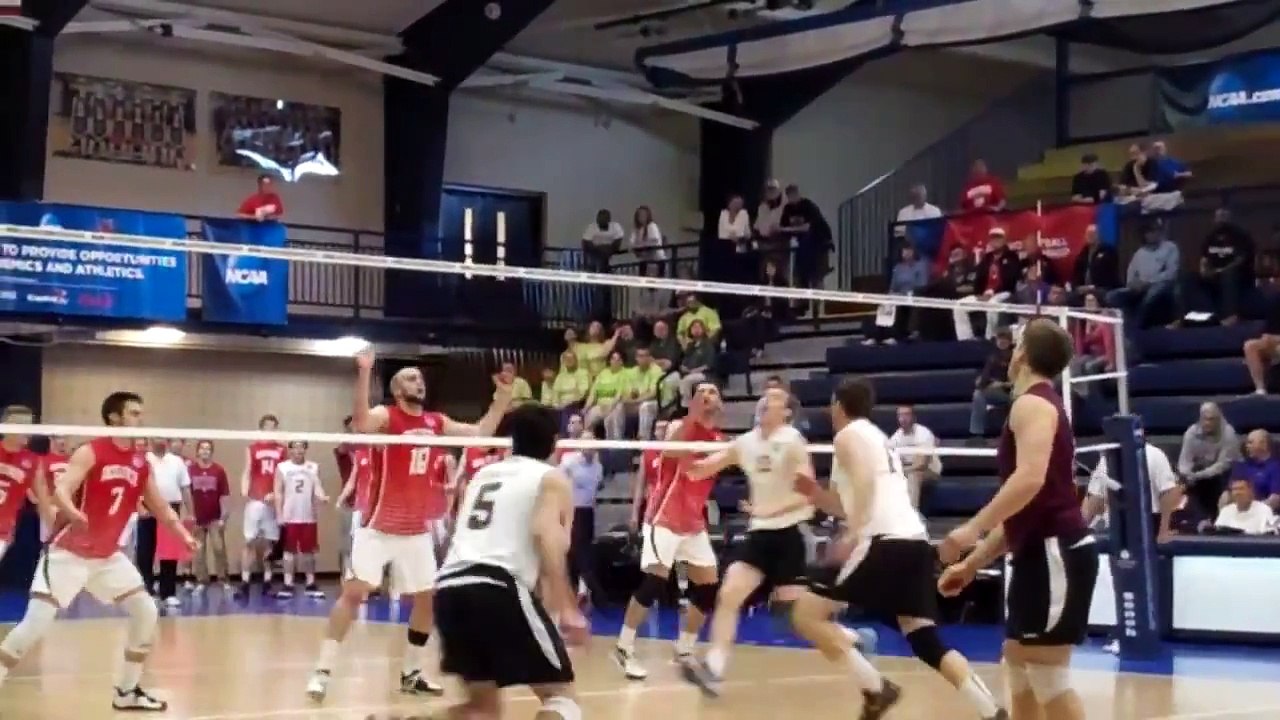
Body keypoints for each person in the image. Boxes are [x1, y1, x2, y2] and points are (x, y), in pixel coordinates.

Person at [781, 378, 1005, 720]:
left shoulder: (847, 436)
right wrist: (814, 493)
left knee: (804, 615)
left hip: (882, 541)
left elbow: (866, 487)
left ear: (839, 405)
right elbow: (848, 503)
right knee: (925, 640)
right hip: (914, 541)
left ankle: (875, 688)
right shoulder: (878, 438)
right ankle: (990, 711)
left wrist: (852, 535)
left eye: (831, 404)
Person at [306, 351, 513, 702]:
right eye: (410, 378)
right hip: (378, 525)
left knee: (427, 599)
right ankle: (322, 671)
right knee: (355, 594)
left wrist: (502, 399)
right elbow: (360, 423)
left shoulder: (436, 421)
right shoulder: (388, 415)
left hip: (415, 529)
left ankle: (411, 672)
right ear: (396, 389)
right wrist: (364, 373)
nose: (419, 382)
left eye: (420, 378)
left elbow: (479, 433)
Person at [938, 319, 1098, 720]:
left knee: (1047, 674)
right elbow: (1025, 510)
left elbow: (1029, 480)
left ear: (1022, 353)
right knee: (1018, 663)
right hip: (1037, 549)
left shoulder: (1032, 403)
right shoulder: (1033, 404)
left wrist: (971, 529)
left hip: (1055, 550)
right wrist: (972, 563)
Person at [0, 391, 197, 711]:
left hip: (107, 557)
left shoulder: (139, 461)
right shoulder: (90, 452)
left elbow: (159, 506)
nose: (140, 419)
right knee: (35, 624)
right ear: (114, 418)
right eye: (133, 413)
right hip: (69, 553)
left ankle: (127, 690)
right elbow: (62, 490)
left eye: (140, 413)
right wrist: (72, 512)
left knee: (146, 611)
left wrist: (183, 534)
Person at [433, 403, 588, 720]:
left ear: (512, 440)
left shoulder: (481, 475)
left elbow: (452, 535)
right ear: (554, 441)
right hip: (497, 587)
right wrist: (568, 606)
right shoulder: (551, 478)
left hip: (449, 586)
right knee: (563, 701)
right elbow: (548, 537)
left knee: (482, 709)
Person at [679, 388, 818, 695]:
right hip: (758, 535)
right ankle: (714, 669)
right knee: (728, 595)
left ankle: (851, 638)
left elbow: (808, 493)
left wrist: (769, 509)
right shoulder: (745, 442)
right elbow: (703, 468)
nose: (766, 401)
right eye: (764, 397)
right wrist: (682, 456)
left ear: (786, 412)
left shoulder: (793, 442)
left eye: (776, 398)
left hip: (788, 534)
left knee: (797, 617)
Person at [613, 383, 724, 681]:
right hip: (664, 517)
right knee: (654, 582)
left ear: (722, 403)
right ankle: (624, 646)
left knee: (708, 587)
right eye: (702, 392)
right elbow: (672, 450)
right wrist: (692, 415)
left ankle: (685, 647)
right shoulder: (681, 425)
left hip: (693, 524)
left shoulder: (718, 439)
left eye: (713, 392)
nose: (707, 396)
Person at [274, 441, 328, 599]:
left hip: (308, 516)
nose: (298, 450)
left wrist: (322, 497)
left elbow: (317, 486)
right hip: (289, 515)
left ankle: (310, 583)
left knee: (309, 552)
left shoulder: (313, 467)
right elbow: (278, 492)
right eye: (295, 447)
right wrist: (279, 513)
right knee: (288, 551)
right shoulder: (283, 467)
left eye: (301, 447)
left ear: (305, 450)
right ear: (290, 450)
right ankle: (288, 583)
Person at [240, 414, 286, 596]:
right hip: (255, 500)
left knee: (269, 543)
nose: (270, 430)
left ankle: (267, 580)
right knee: (249, 541)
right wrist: (245, 490)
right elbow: (247, 470)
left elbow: (283, 476)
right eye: (267, 427)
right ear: (261, 428)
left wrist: (276, 494)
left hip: (272, 502)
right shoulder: (252, 448)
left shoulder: (282, 450)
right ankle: (244, 581)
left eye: (273, 427)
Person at [559, 431, 604, 606]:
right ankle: (596, 595)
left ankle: (582, 592)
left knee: (584, 553)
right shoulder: (569, 462)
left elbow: (596, 487)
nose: (589, 447)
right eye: (586, 443)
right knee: (576, 554)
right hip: (571, 511)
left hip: (587, 513)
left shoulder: (598, 466)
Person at [0, 406, 46, 558]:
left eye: (30, 425)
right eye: (21, 424)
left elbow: (40, 500)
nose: (27, 430)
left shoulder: (33, 461)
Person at [188, 440, 232, 593]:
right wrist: (189, 515)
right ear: (198, 451)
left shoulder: (218, 470)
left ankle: (223, 578)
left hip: (215, 517)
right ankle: (201, 580)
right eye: (202, 448)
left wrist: (223, 517)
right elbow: (187, 493)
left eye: (208, 449)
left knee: (219, 548)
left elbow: (224, 495)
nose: (205, 451)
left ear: (211, 452)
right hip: (197, 518)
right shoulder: (191, 470)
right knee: (199, 551)